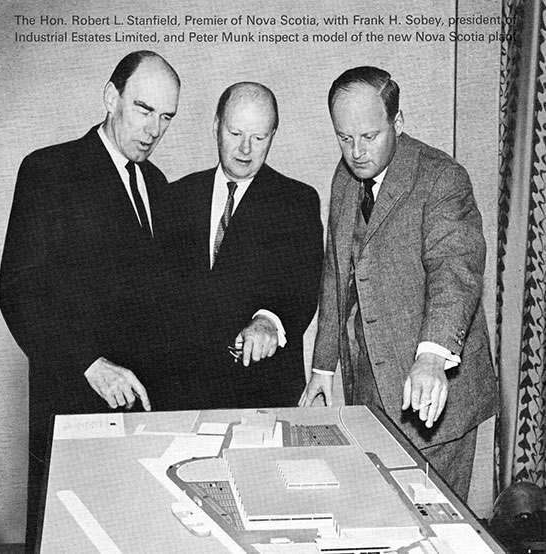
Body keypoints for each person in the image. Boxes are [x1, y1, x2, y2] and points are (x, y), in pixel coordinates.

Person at [0, 50, 181, 550]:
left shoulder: (158, 185)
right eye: (144, 110)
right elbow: (18, 291)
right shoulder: (48, 170)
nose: (154, 130)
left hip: (141, 414)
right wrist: (90, 364)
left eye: (166, 117)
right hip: (71, 405)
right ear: (111, 97)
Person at [299, 66, 499, 501]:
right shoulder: (345, 178)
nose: (356, 152)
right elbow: (338, 270)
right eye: (344, 137)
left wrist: (431, 358)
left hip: (432, 391)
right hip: (369, 387)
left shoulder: (441, 178)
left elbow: (456, 271)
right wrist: (322, 367)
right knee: (379, 511)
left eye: (369, 136)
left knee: (435, 521)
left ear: (398, 122)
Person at [166, 82, 323, 409]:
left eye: (259, 138)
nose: (245, 150)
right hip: (182, 395)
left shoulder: (297, 201)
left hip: (263, 393)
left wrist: (270, 319)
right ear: (216, 126)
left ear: (273, 135)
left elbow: (303, 287)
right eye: (236, 133)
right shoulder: (174, 197)